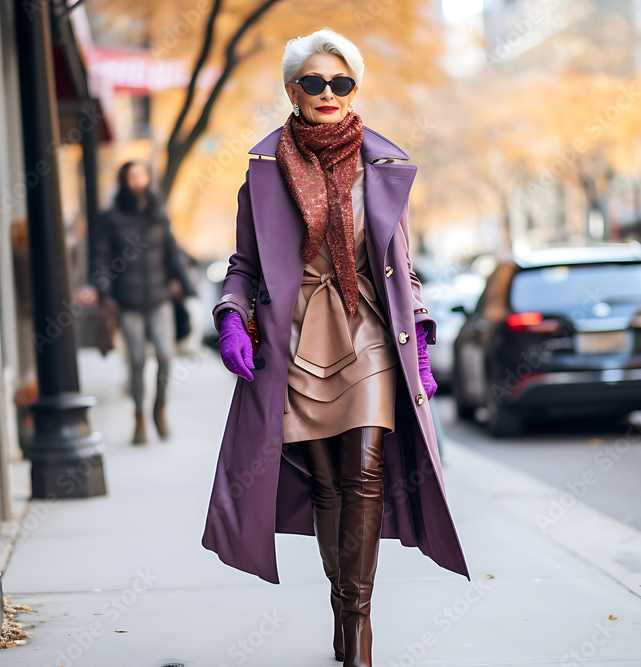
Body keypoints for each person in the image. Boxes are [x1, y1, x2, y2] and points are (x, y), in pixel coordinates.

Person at [201, 28, 469, 667]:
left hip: (369, 331)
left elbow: (403, 267)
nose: (329, 93)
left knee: (365, 471)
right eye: (315, 82)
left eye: (341, 82)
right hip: (294, 338)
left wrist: (422, 342)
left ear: (354, 91)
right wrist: (232, 318)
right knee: (324, 485)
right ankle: (341, 606)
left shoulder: (384, 166)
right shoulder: (262, 172)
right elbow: (243, 263)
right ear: (292, 91)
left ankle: (358, 628)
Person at [90, 160, 196, 443]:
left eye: (142, 175)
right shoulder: (110, 219)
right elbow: (100, 261)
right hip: (127, 301)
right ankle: (138, 417)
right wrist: (105, 295)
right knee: (137, 360)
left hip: (159, 297)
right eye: (132, 176)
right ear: (124, 180)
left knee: (165, 355)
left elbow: (171, 252)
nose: (138, 181)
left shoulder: (157, 214)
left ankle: (159, 408)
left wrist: (186, 285)